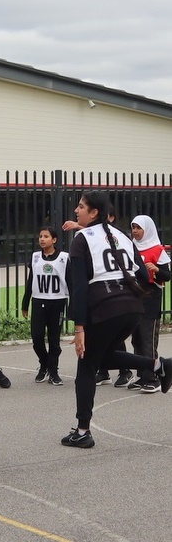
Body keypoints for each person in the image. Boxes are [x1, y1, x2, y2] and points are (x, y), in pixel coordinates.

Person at [62, 190, 172, 449]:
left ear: (94, 212)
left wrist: (79, 327)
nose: (76, 211)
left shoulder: (81, 239)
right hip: (132, 308)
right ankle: (159, 366)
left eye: (80, 207)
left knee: (87, 366)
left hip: (104, 307)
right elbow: (145, 278)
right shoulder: (122, 235)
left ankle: (83, 430)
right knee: (104, 355)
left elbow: (78, 287)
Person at [63, 204, 133, 388]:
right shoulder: (86, 238)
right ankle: (103, 371)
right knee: (99, 346)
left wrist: (80, 227)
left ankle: (131, 370)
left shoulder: (116, 236)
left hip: (109, 299)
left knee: (108, 340)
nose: (77, 211)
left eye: (81, 207)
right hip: (90, 297)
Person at [129, 214, 171, 393]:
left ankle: (153, 377)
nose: (135, 231)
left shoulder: (157, 249)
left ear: (147, 229)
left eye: (138, 228)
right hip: (134, 298)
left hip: (150, 298)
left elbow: (167, 276)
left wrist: (156, 269)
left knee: (148, 339)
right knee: (136, 339)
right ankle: (141, 375)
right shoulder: (130, 247)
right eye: (133, 227)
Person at [22, 226, 68, 385]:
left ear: (54, 240)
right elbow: (30, 282)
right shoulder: (35, 257)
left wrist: (74, 305)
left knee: (54, 339)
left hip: (57, 302)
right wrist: (25, 303)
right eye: (40, 236)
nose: (42, 239)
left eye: (46, 236)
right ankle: (44, 363)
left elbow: (71, 282)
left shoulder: (64, 258)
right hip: (38, 301)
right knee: (37, 337)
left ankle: (53, 371)